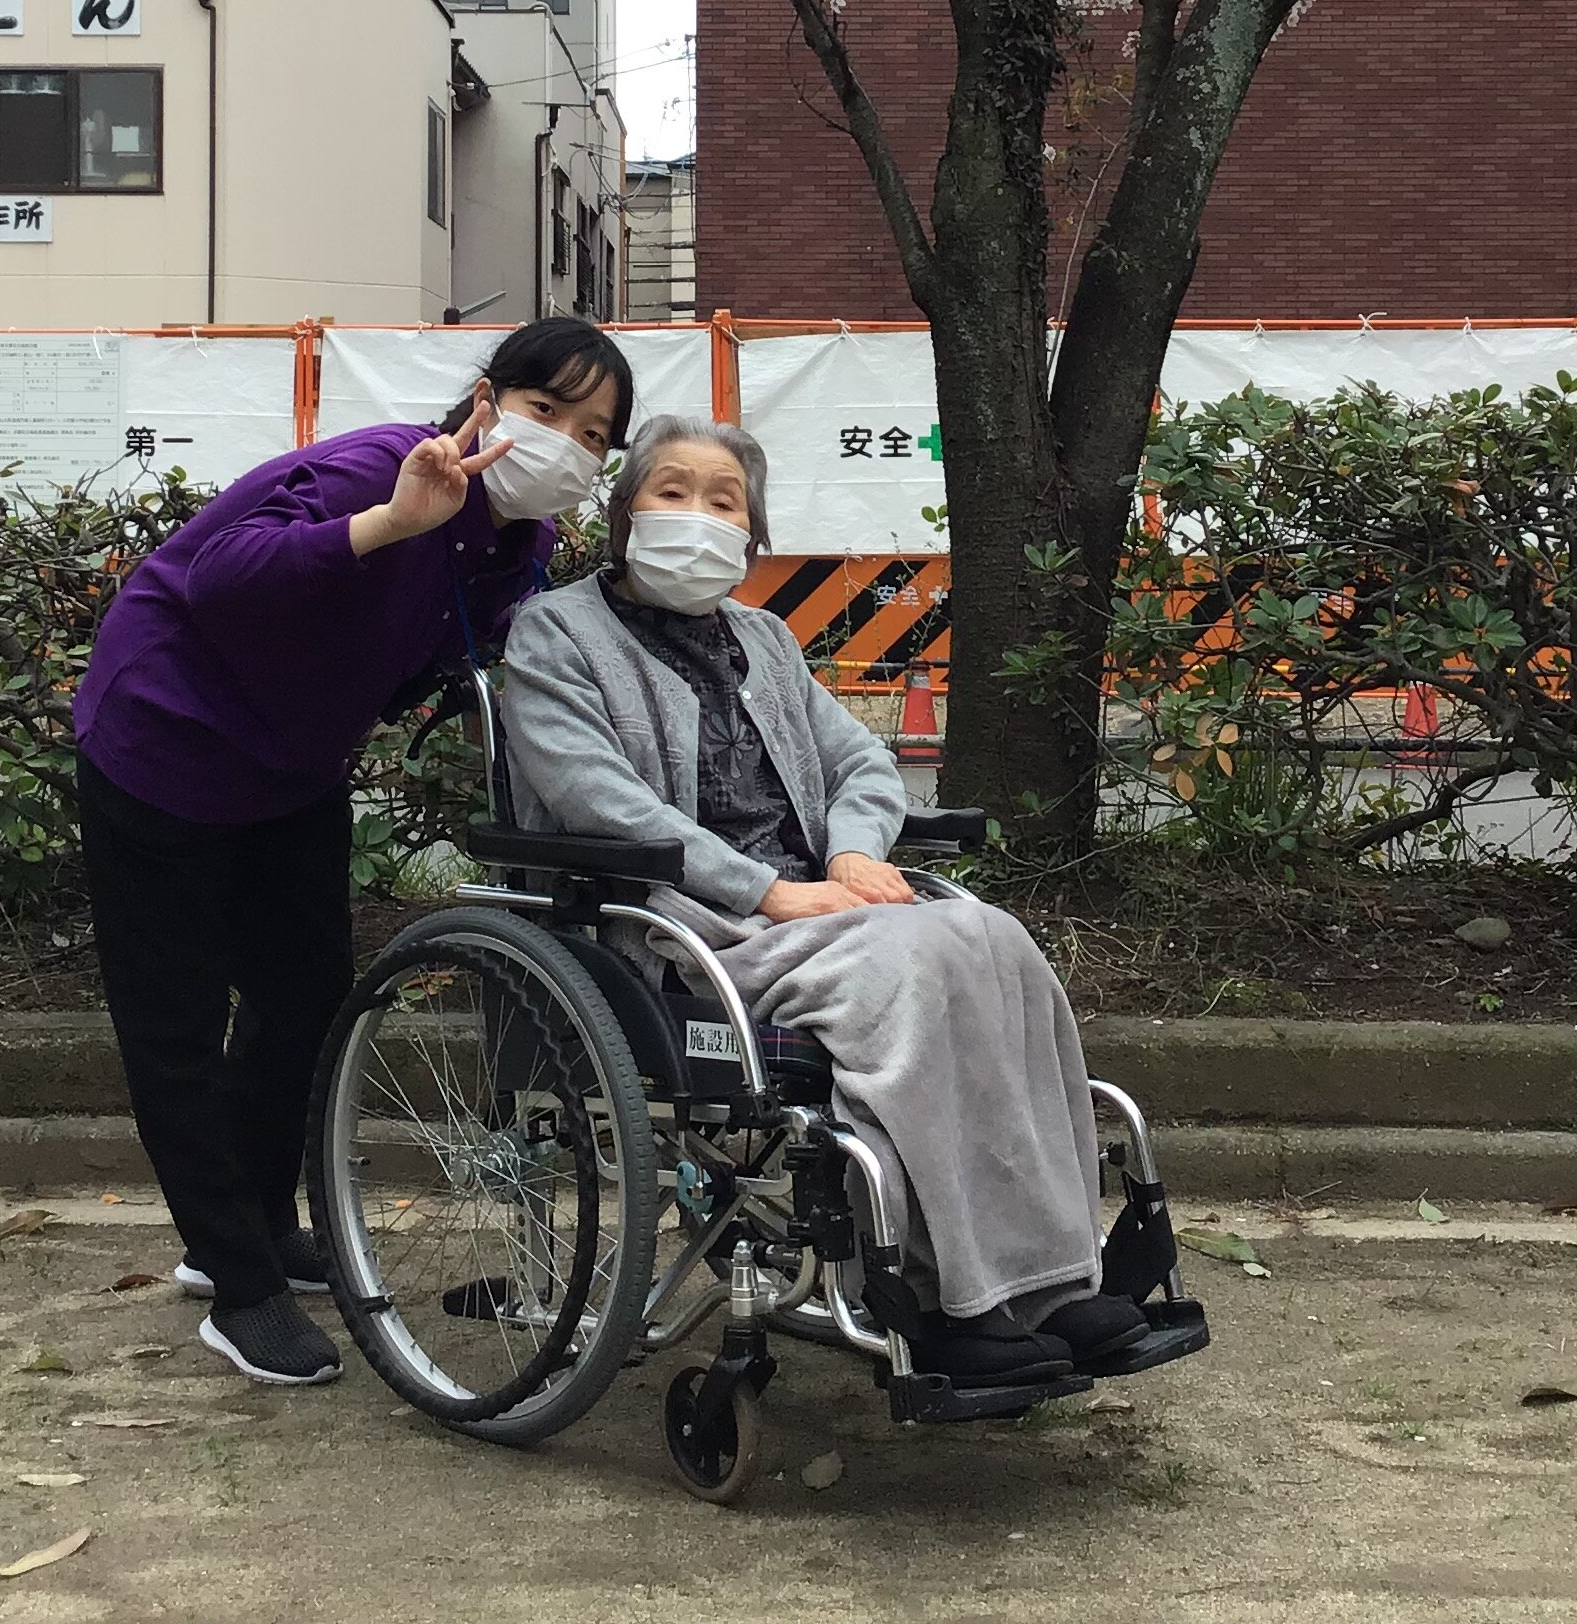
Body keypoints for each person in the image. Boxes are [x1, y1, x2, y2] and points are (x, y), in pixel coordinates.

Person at [496, 416, 1156, 1385]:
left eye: (724, 501)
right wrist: (766, 889)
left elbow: (862, 763)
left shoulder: (762, 638)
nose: (697, 515)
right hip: (685, 926)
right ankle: (945, 1299)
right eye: (672, 491)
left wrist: (849, 853)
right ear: (626, 511)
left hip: (818, 908)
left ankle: (1051, 1281)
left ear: (750, 534)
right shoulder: (557, 633)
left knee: (996, 940)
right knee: (906, 974)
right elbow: (595, 796)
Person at [73, 318, 633, 1389]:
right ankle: (240, 1287)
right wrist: (387, 525)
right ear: (487, 400)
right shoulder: (378, 469)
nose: (566, 442)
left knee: (305, 1002)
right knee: (174, 1027)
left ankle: (254, 1224)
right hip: (163, 745)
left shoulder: (520, 546)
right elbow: (219, 573)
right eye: (547, 410)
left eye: (594, 435)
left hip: (292, 769)